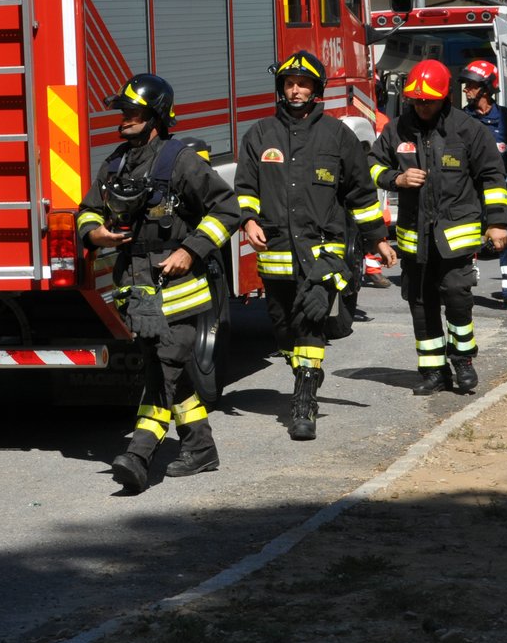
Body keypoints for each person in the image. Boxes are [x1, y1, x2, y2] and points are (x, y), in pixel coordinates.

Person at [77, 74, 239, 492]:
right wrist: (95, 234)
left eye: (133, 112)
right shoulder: (115, 163)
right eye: (122, 112)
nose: (124, 118)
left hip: (180, 291)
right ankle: (201, 449)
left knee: (163, 370)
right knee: (167, 369)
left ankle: (139, 455)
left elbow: (227, 210)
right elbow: (88, 210)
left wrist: (191, 250)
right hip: (136, 290)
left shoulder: (181, 161)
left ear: (156, 116)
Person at [235, 51, 396, 440]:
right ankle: (306, 368)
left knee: (310, 318)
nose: (295, 90)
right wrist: (249, 220)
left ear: (316, 90)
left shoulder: (337, 136)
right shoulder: (259, 134)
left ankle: (303, 401)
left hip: (323, 252)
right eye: (290, 83)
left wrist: (377, 239)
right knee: (283, 327)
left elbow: (360, 194)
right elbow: (245, 189)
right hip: (275, 254)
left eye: (303, 84)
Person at [369, 59, 507, 396]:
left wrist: (498, 223)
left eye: (428, 101)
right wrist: (396, 178)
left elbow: (492, 177)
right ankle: (433, 371)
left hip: (455, 235)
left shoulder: (468, 130)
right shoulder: (397, 129)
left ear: (444, 97)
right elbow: (371, 166)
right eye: (416, 100)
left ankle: (462, 360)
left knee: (458, 298)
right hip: (415, 239)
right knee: (421, 304)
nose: (421, 106)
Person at [460, 60, 507, 308]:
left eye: (471, 85)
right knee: (464, 240)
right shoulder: (461, 119)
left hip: (499, 190)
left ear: (486, 88)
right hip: (468, 191)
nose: (465, 90)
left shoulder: (506, 118)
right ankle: (459, 292)